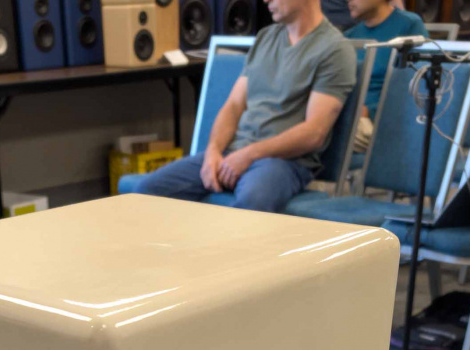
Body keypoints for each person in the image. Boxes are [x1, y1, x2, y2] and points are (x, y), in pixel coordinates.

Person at [134, 0, 356, 213]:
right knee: (146, 192)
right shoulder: (266, 37)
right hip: (235, 152)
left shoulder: (334, 49)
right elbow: (233, 106)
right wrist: (213, 152)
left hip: (284, 161)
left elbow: (314, 133)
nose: (265, 0)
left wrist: (249, 155)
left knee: (253, 201)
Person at [345, 0, 427, 152]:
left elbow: (418, 88)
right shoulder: (350, 35)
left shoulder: (409, 25)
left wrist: (369, 110)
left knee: (318, 136)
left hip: (381, 123)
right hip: (351, 117)